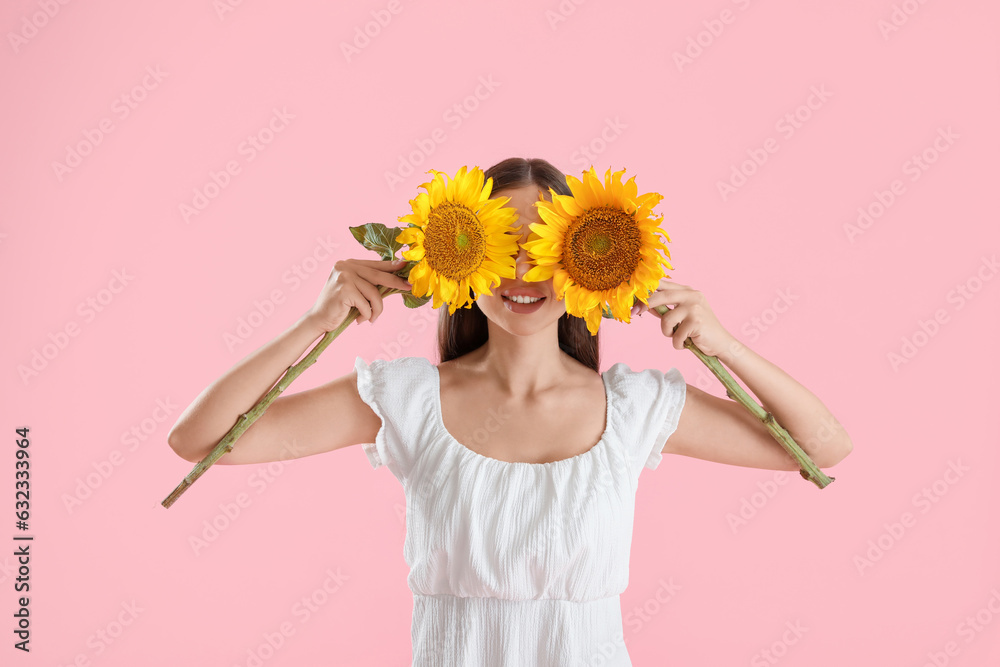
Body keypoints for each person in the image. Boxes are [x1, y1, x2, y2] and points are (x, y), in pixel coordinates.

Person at [168, 157, 853, 665]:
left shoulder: (635, 409)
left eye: (548, 246)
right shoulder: (407, 401)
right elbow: (200, 438)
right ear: (458, 258)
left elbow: (824, 445)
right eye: (499, 244)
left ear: (588, 260)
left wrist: (724, 343)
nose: (523, 271)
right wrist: (313, 325)